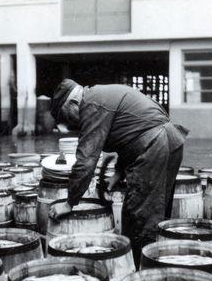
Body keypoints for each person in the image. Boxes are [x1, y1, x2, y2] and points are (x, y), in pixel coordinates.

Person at [48, 79, 189, 265]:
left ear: (74, 103)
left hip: (155, 144)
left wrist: (69, 203)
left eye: (66, 117)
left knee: (139, 217)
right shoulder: (101, 95)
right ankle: (159, 262)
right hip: (170, 141)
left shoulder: (91, 104)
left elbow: (86, 161)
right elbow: (130, 134)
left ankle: (139, 270)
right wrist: (118, 174)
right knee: (157, 211)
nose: (69, 125)